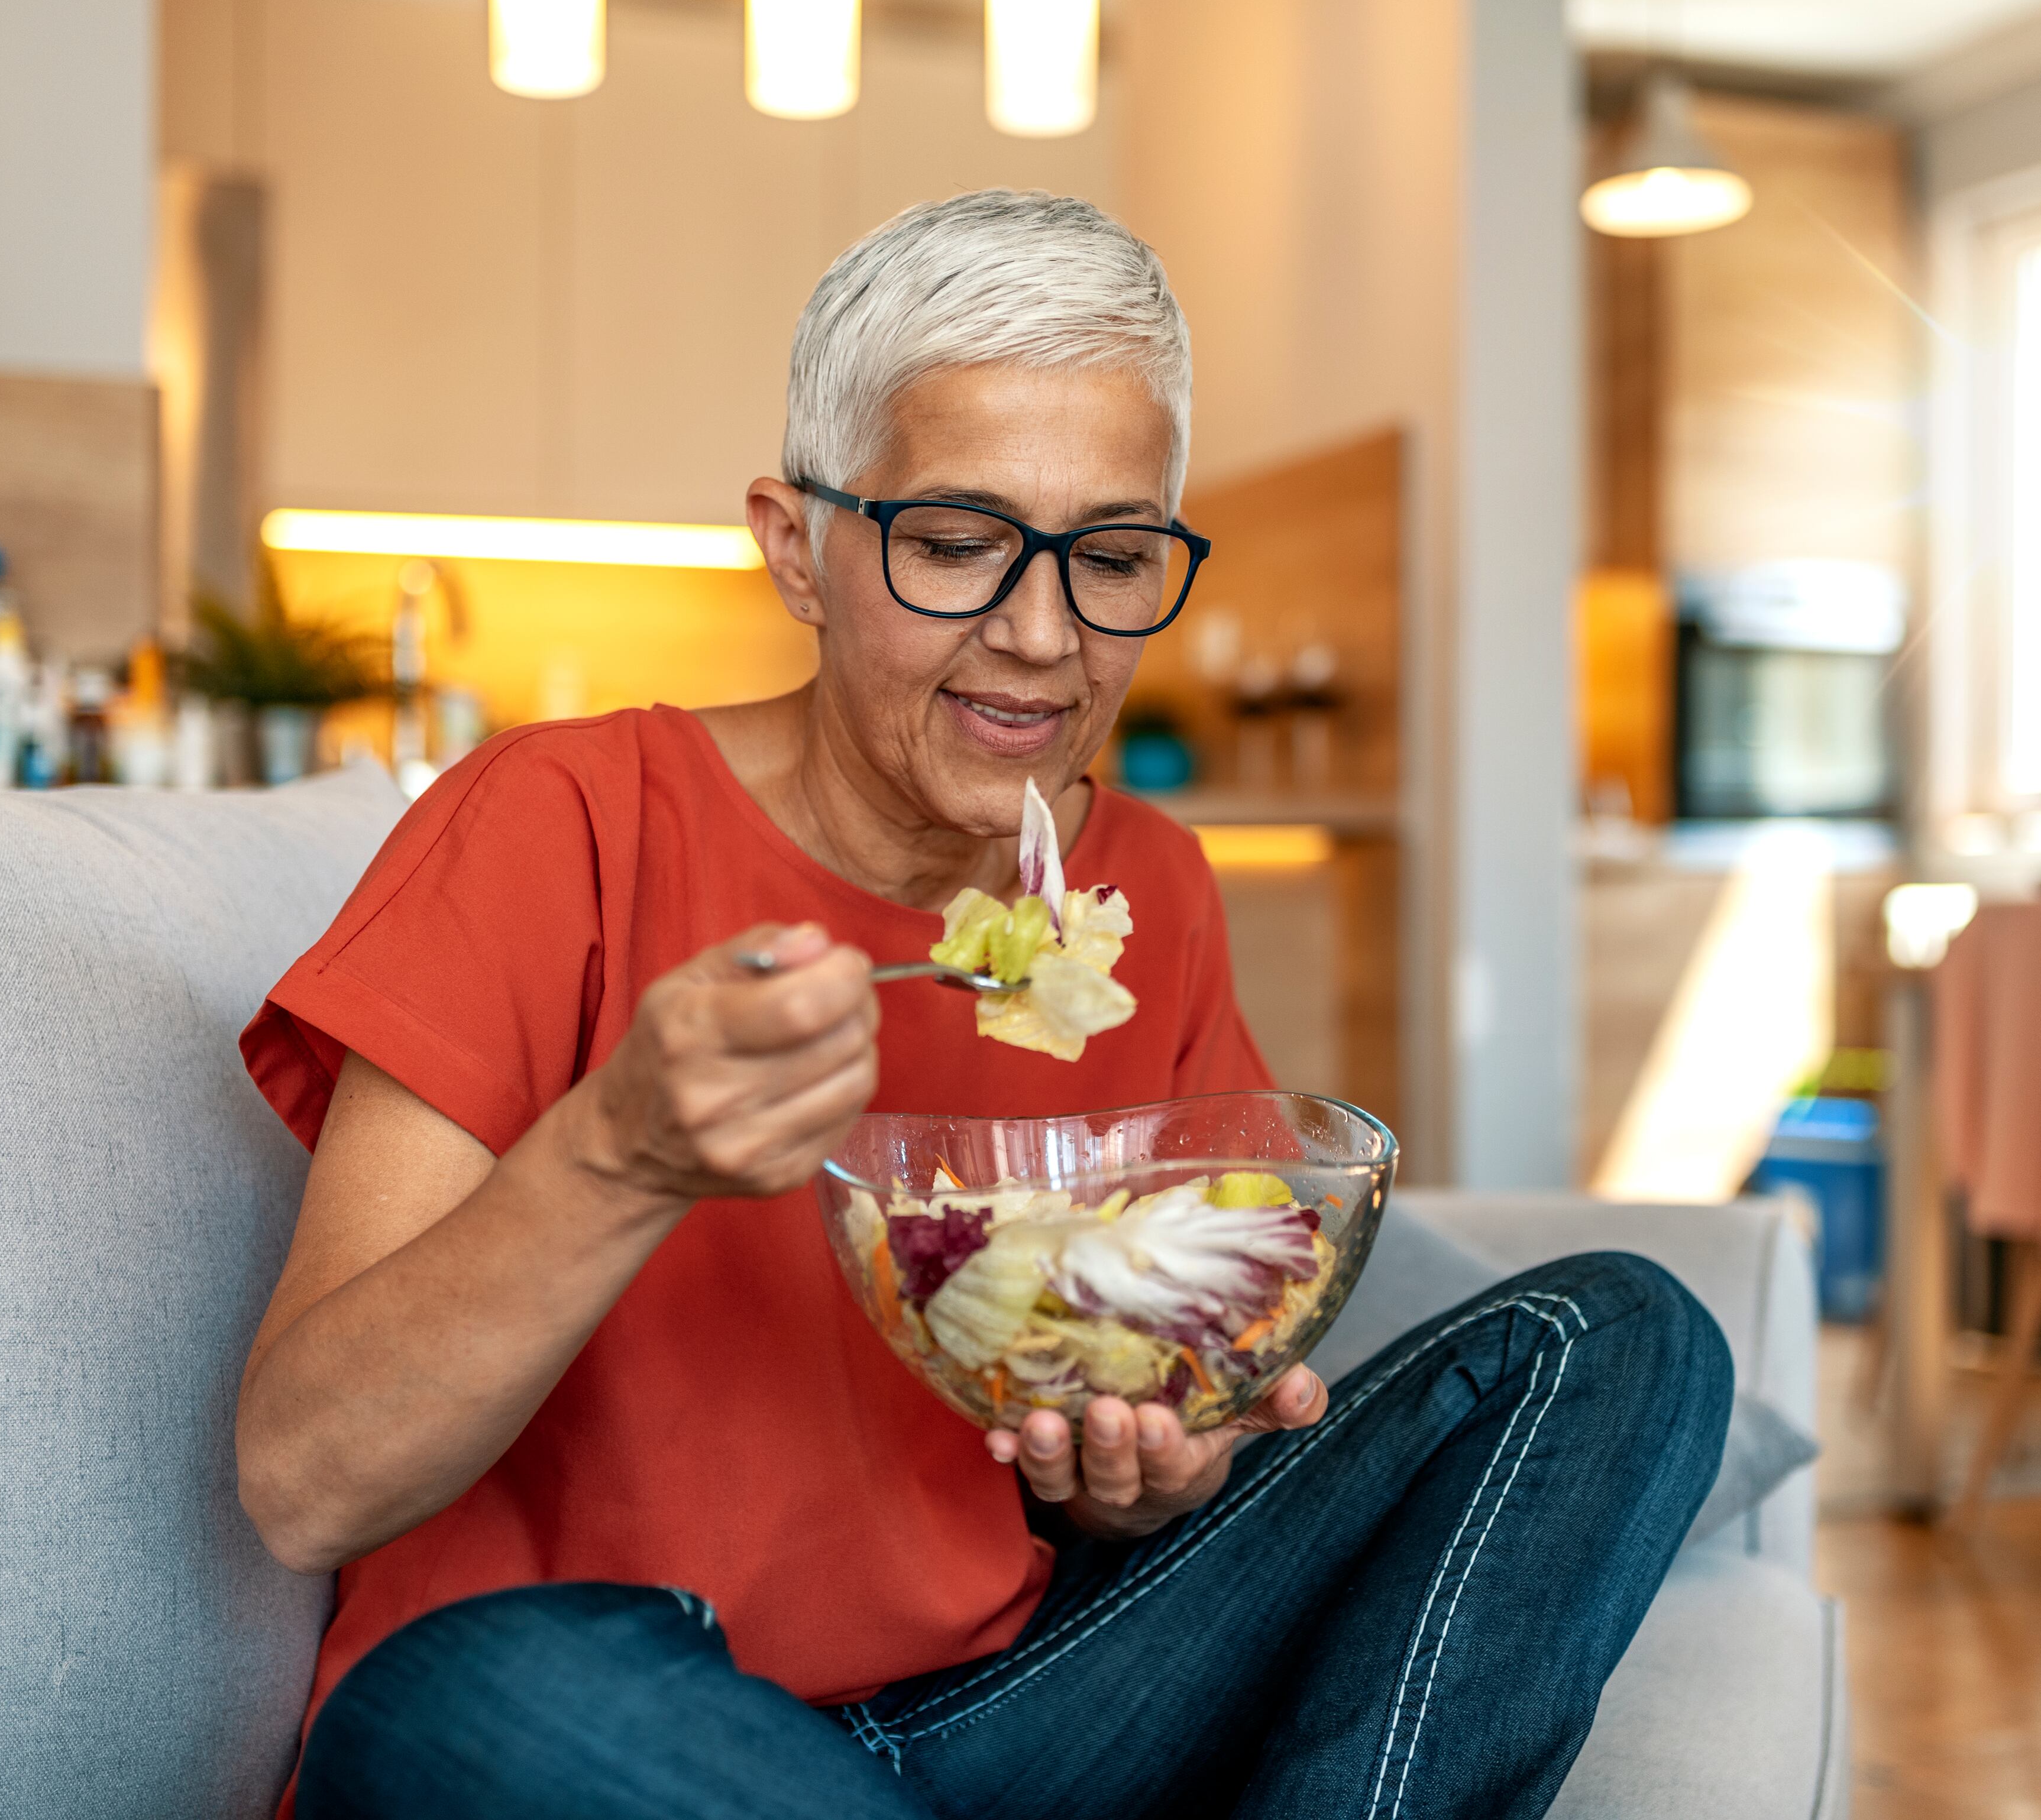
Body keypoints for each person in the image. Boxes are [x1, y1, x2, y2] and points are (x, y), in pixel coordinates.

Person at [236, 190, 1731, 1820]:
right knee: (476, 1689)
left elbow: (1144, 1415)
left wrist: (1156, 1472)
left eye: (1112, 557)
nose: (1042, 635)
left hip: (1017, 1711)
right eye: (958, 543)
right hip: (616, 1717)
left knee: (1620, 1337)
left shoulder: (1142, 883)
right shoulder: (561, 818)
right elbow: (307, 1477)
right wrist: (619, 1152)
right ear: (797, 545)